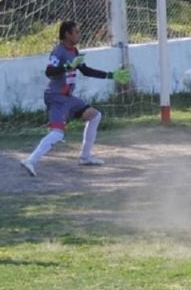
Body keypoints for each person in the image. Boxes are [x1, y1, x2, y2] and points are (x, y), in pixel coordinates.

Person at [20, 21, 124, 176]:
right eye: (76, 32)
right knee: (57, 133)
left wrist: (112, 75)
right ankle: (30, 161)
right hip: (56, 97)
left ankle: (85, 157)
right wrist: (67, 67)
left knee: (95, 115)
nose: (78, 35)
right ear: (67, 34)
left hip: (68, 98)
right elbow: (49, 72)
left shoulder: (74, 51)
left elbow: (86, 71)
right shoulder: (58, 51)